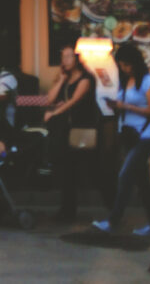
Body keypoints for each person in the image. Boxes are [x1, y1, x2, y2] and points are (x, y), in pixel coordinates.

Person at [93, 44, 150, 234]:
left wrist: (126, 106)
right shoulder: (125, 80)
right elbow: (121, 105)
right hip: (129, 134)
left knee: (125, 175)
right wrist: (114, 106)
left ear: (134, 62)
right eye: (121, 65)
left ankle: (113, 221)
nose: (124, 68)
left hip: (146, 134)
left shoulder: (146, 81)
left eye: (127, 64)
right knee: (142, 182)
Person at [44, 42, 98, 222]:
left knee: (75, 170)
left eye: (68, 57)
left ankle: (70, 210)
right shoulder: (65, 79)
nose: (64, 60)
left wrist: (55, 112)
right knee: (66, 170)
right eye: (62, 57)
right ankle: (66, 210)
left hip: (80, 127)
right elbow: (50, 98)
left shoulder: (86, 78)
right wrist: (60, 80)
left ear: (76, 58)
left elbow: (75, 100)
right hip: (64, 130)